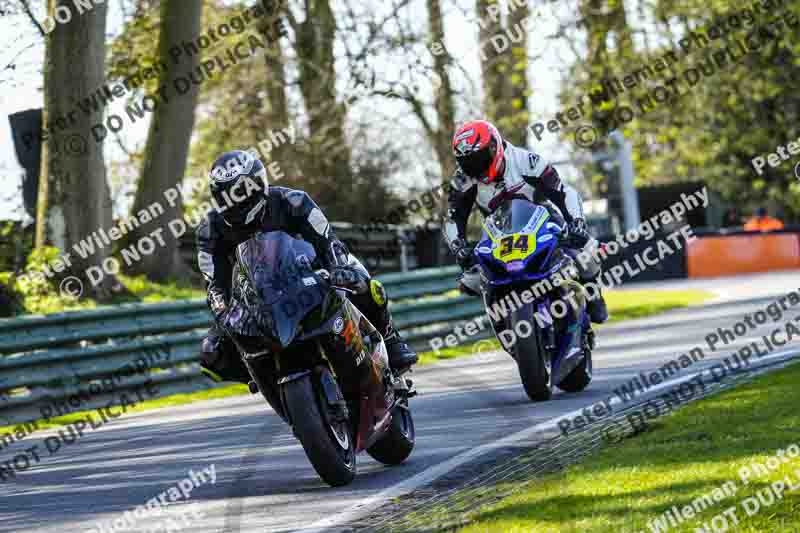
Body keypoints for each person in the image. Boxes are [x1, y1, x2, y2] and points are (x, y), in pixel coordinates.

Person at [196, 150, 417, 383]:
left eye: (241, 191)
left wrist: (338, 266)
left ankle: (392, 341)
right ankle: (262, 377)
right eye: (226, 195)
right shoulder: (210, 228)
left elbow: (328, 239)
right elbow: (213, 280)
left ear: (258, 183)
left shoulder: (293, 201)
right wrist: (221, 308)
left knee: (364, 281)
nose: (235, 200)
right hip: (256, 297)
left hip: (311, 274)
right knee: (212, 353)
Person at [443, 119, 608, 323]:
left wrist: (576, 223)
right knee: (471, 281)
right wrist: (458, 247)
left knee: (585, 251)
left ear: (495, 146)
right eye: (468, 163)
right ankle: (502, 316)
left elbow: (564, 192)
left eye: (481, 158)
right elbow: (452, 218)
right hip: (498, 233)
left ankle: (595, 295)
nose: (476, 168)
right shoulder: (461, 181)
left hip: (543, 220)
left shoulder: (526, 161)